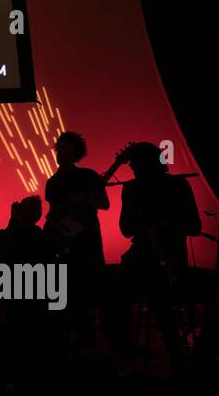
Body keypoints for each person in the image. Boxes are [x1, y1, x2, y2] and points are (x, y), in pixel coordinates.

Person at [117, 142, 201, 376]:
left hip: (167, 259)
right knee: (116, 292)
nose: (133, 169)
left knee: (157, 296)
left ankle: (174, 361)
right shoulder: (132, 189)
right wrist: (141, 221)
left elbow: (193, 226)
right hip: (145, 256)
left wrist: (164, 225)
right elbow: (126, 228)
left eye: (137, 165)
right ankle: (135, 351)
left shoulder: (177, 186)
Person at [43, 132, 109, 347]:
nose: (61, 152)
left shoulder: (89, 176)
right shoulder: (52, 182)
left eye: (67, 149)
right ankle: (77, 337)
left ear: (75, 154)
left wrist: (82, 200)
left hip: (87, 238)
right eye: (60, 148)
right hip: (65, 239)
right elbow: (53, 212)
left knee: (88, 288)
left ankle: (90, 338)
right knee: (70, 289)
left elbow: (104, 203)